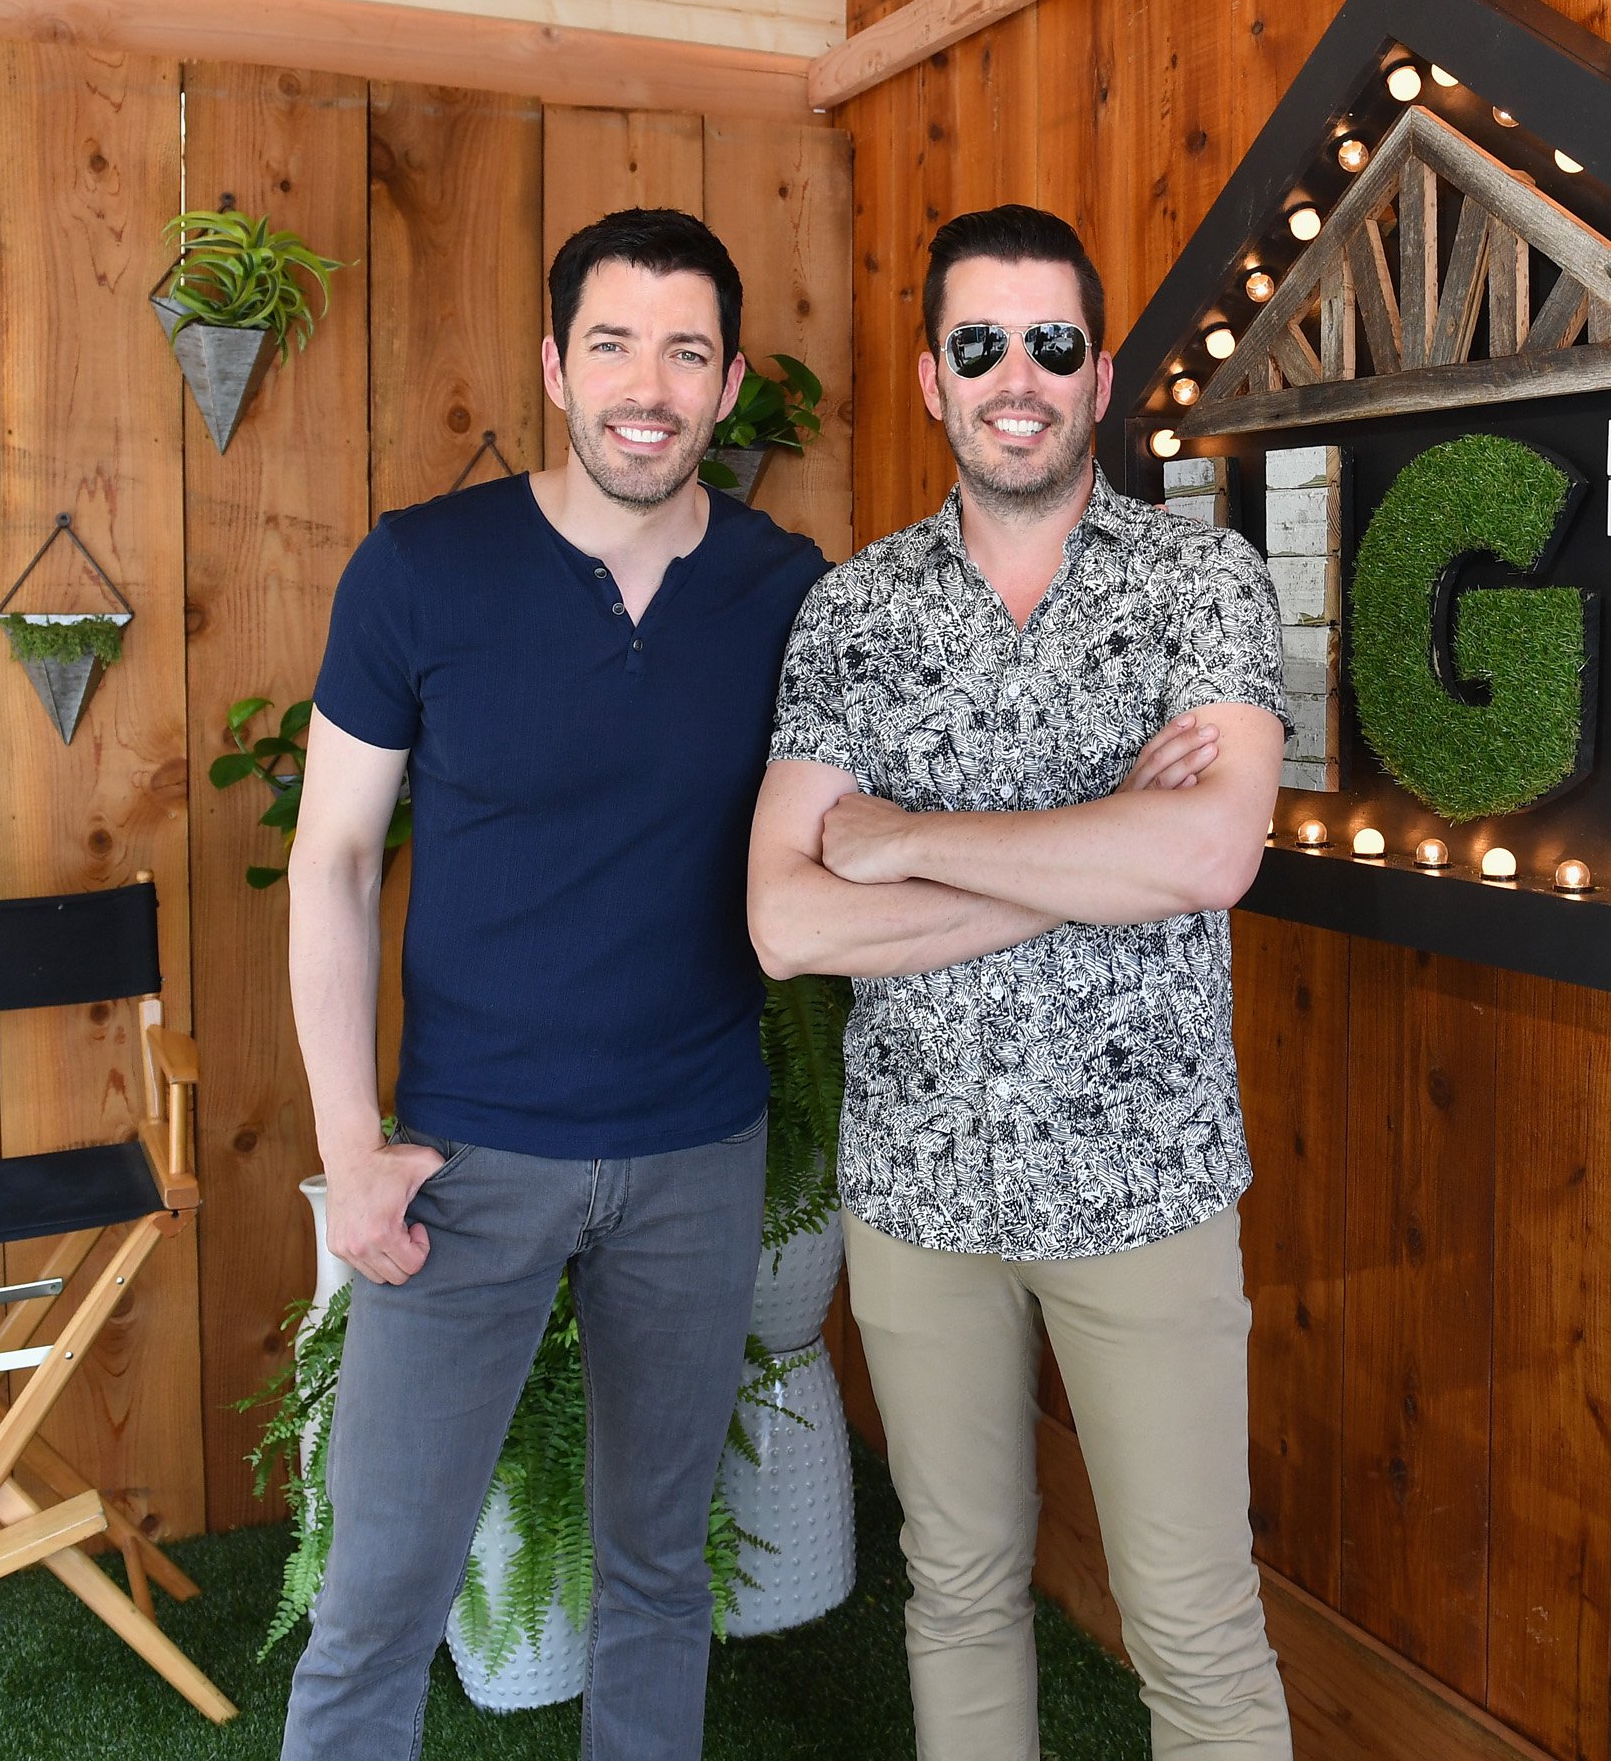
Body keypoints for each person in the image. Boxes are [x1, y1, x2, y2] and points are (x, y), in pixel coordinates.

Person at [279, 209, 828, 1761]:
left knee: (658, 1575)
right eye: (612, 344)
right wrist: (348, 1154)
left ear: (726, 386)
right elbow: (330, 865)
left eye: (684, 350)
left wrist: (1119, 786)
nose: (645, 385)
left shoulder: (789, 592)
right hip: (465, 1162)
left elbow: (892, 794)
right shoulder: (419, 572)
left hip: (699, 1153)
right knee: (381, 1589)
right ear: (555, 366)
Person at [748, 203, 1295, 1759]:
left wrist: (906, 838)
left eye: (1052, 344)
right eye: (979, 344)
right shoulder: (852, 613)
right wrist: (1095, 840)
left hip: (1148, 1185)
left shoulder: (1202, 584)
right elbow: (787, 922)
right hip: (916, 1192)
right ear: (933, 379)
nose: (1018, 375)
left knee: (1193, 1623)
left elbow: (1205, 862)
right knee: (961, 1589)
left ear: (1100, 374)